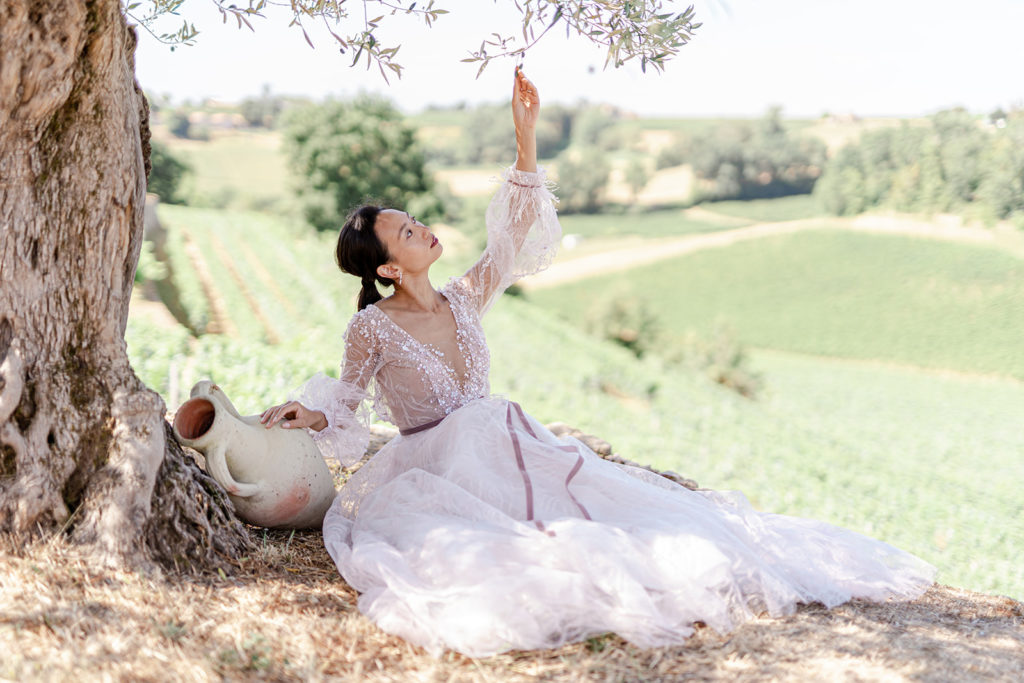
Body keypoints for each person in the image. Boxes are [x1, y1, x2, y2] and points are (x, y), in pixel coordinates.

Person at [260, 68, 935, 658]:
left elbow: (511, 236)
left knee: (618, 518)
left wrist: (525, 138)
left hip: (505, 440)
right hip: (439, 465)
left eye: (415, 221)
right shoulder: (372, 327)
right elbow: (346, 403)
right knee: (526, 549)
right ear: (387, 267)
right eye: (407, 233)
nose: (423, 230)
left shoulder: (463, 297)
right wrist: (307, 414)